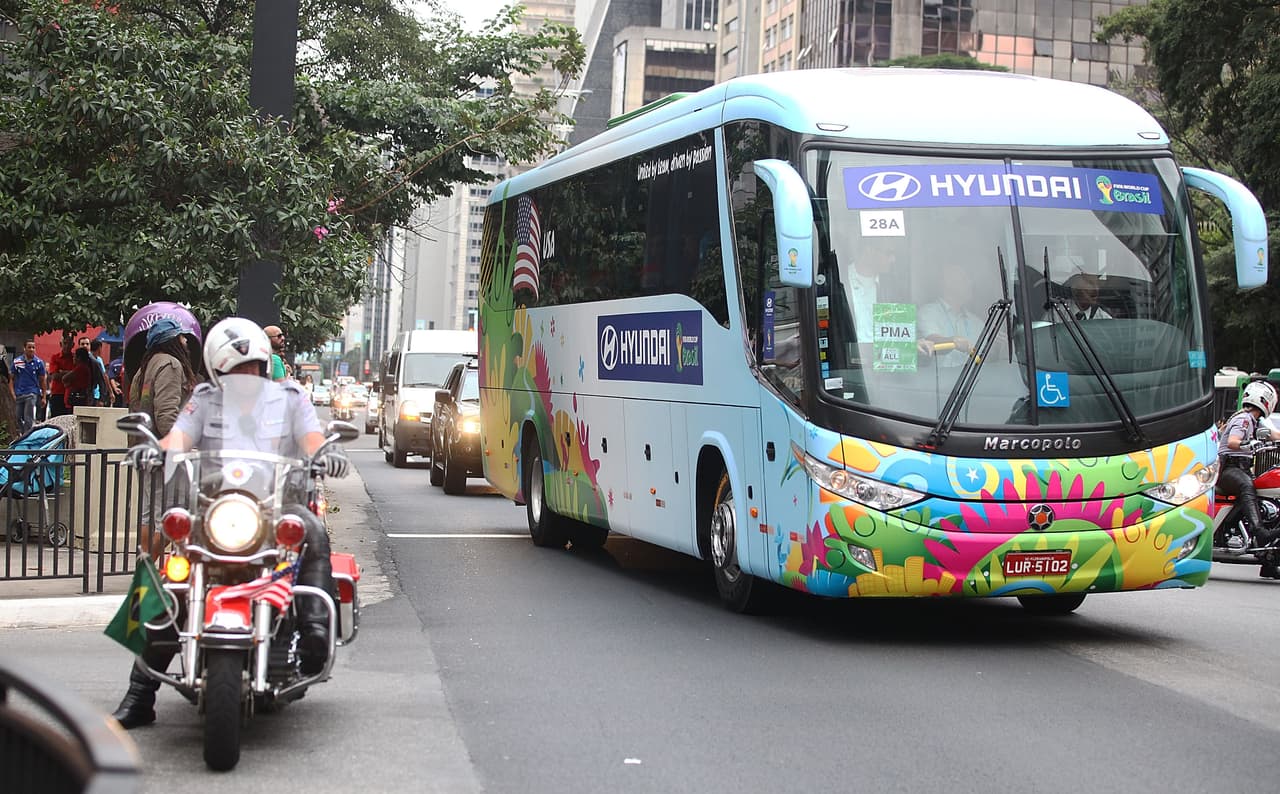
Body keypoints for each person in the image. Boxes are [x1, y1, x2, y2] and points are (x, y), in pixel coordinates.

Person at [110, 318, 349, 729]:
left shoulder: (290, 397)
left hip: (278, 506)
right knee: (174, 579)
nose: (246, 376)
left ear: (263, 363)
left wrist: (324, 453)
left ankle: (313, 629)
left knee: (312, 529)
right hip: (216, 509)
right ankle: (139, 694)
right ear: (218, 371)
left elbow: (310, 438)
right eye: (235, 370)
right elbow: (179, 438)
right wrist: (155, 450)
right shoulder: (203, 399)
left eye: (252, 367)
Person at [1218, 380, 1280, 579]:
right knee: (1247, 487)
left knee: (1259, 487)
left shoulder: (1255, 421)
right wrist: (1250, 445)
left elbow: (1273, 434)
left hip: (1240, 468)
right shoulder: (1243, 419)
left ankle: (1269, 558)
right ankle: (1259, 530)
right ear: (1265, 401)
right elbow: (1233, 442)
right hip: (1228, 468)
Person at [917, 266, 986, 367]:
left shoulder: (977, 323)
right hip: (940, 381)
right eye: (964, 279)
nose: (970, 283)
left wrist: (1000, 349)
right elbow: (931, 340)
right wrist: (952, 341)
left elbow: (985, 359)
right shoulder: (928, 312)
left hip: (973, 380)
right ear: (947, 283)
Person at [9, 340, 47, 435]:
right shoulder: (17, 361)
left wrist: (44, 396)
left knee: (28, 417)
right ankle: (22, 433)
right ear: (24, 348)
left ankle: (27, 435)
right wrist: (12, 393)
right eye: (29, 347)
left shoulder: (39, 362)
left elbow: (43, 380)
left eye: (33, 347)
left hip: (32, 392)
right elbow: (11, 379)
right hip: (19, 393)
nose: (31, 349)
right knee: (18, 417)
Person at [47, 332, 76, 416]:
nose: (67, 346)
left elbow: (77, 375)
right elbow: (55, 376)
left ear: (73, 345)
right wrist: (70, 373)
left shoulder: (75, 358)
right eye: (65, 343)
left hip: (71, 394)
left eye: (69, 343)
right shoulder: (55, 357)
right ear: (60, 344)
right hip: (57, 394)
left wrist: (62, 372)